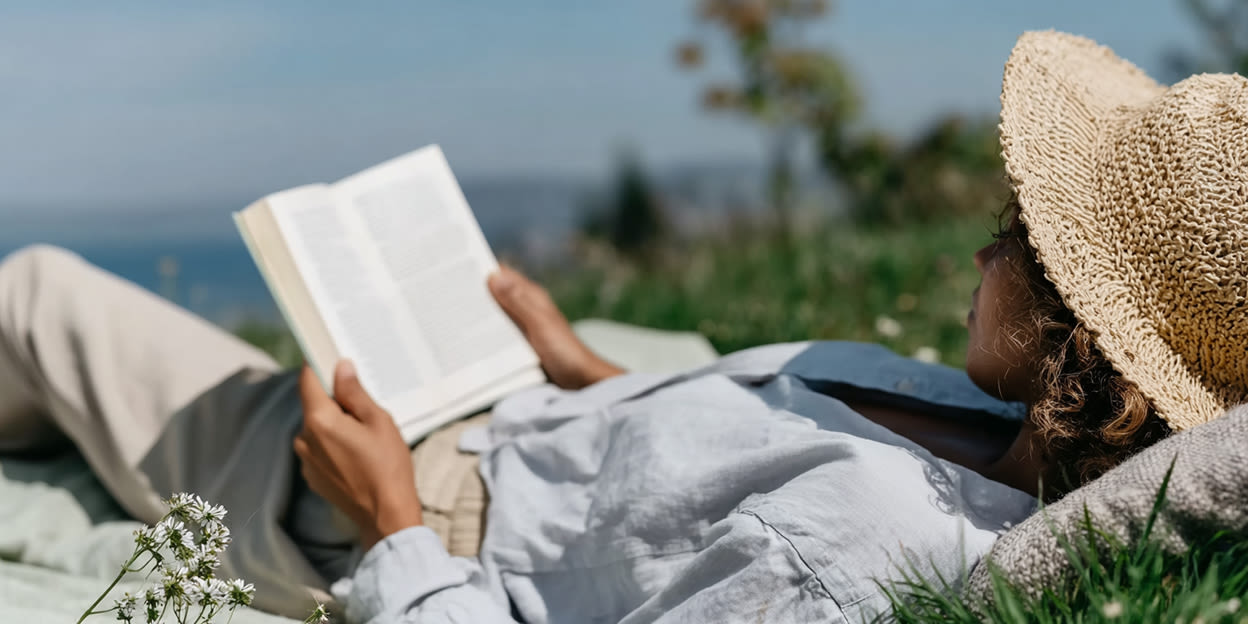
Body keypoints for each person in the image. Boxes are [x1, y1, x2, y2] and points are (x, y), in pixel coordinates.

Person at [0, 30, 1245, 623]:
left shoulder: (866, 558)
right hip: (515, 418)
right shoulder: (988, 422)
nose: (981, 253)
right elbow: (700, 494)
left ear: (1087, 352)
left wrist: (383, 516)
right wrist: (586, 368)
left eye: (1022, 245)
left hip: (412, 500)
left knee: (34, 293)